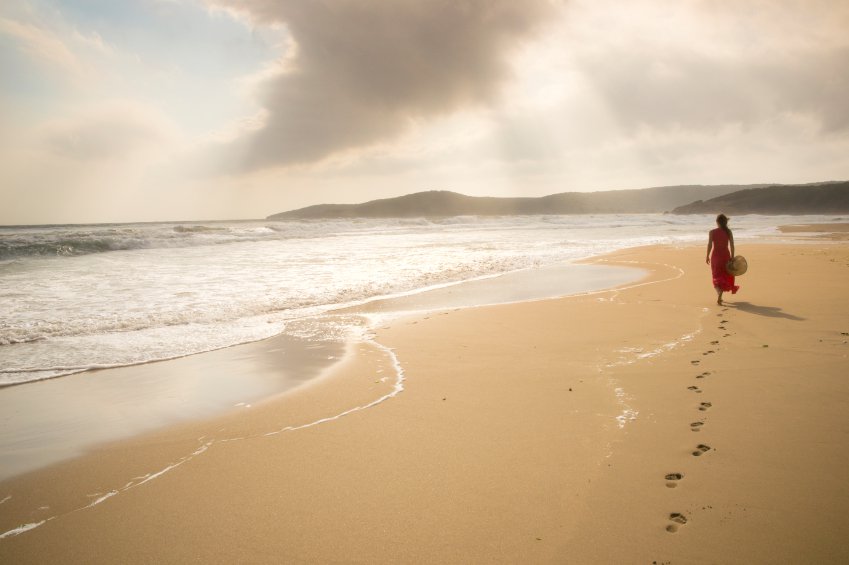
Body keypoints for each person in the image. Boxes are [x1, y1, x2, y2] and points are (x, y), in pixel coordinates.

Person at [706, 213, 739, 305]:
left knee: (716, 276)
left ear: (717, 222)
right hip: (725, 255)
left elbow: (709, 245)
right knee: (725, 275)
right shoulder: (728, 232)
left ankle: (718, 291)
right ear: (725, 222)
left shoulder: (712, 232)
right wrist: (732, 256)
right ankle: (721, 293)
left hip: (716, 256)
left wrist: (707, 255)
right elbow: (732, 245)